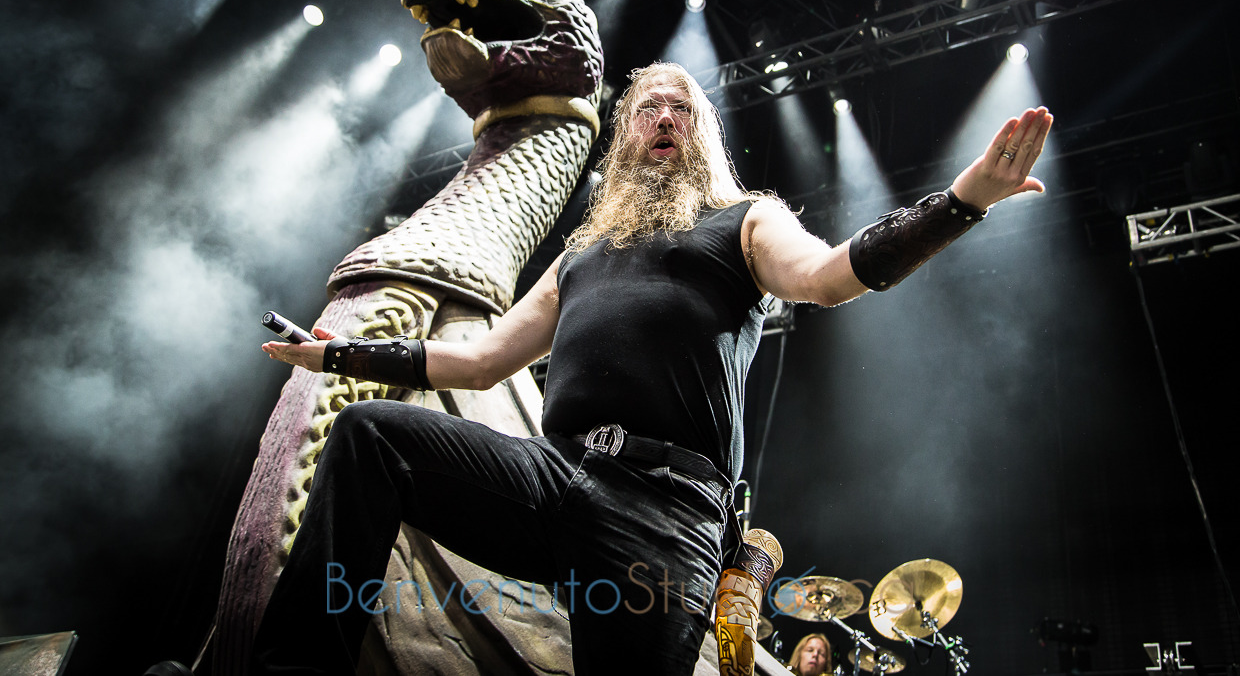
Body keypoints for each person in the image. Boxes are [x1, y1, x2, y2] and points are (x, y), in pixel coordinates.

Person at [255, 61, 1052, 675]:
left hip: (662, 515)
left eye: (681, 106)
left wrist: (962, 201)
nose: (664, 116)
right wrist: (339, 352)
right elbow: (481, 358)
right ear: (624, 133)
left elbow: (828, 276)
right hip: (552, 478)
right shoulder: (579, 256)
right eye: (648, 107)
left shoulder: (745, 220)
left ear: (700, 131)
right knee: (370, 434)